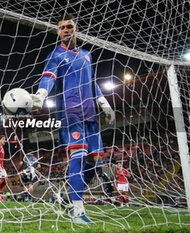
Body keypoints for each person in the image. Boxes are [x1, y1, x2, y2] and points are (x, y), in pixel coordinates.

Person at [31, 14, 115, 224]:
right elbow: (48, 77)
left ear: (75, 29)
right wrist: (41, 95)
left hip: (91, 114)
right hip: (71, 112)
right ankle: (77, 209)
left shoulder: (87, 55)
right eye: (62, 28)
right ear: (58, 31)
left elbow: (91, 81)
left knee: (97, 163)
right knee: (78, 156)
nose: (66, 30)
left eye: (69, 26)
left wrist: (104, 103)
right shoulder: (56, 55)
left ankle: (68, 197)